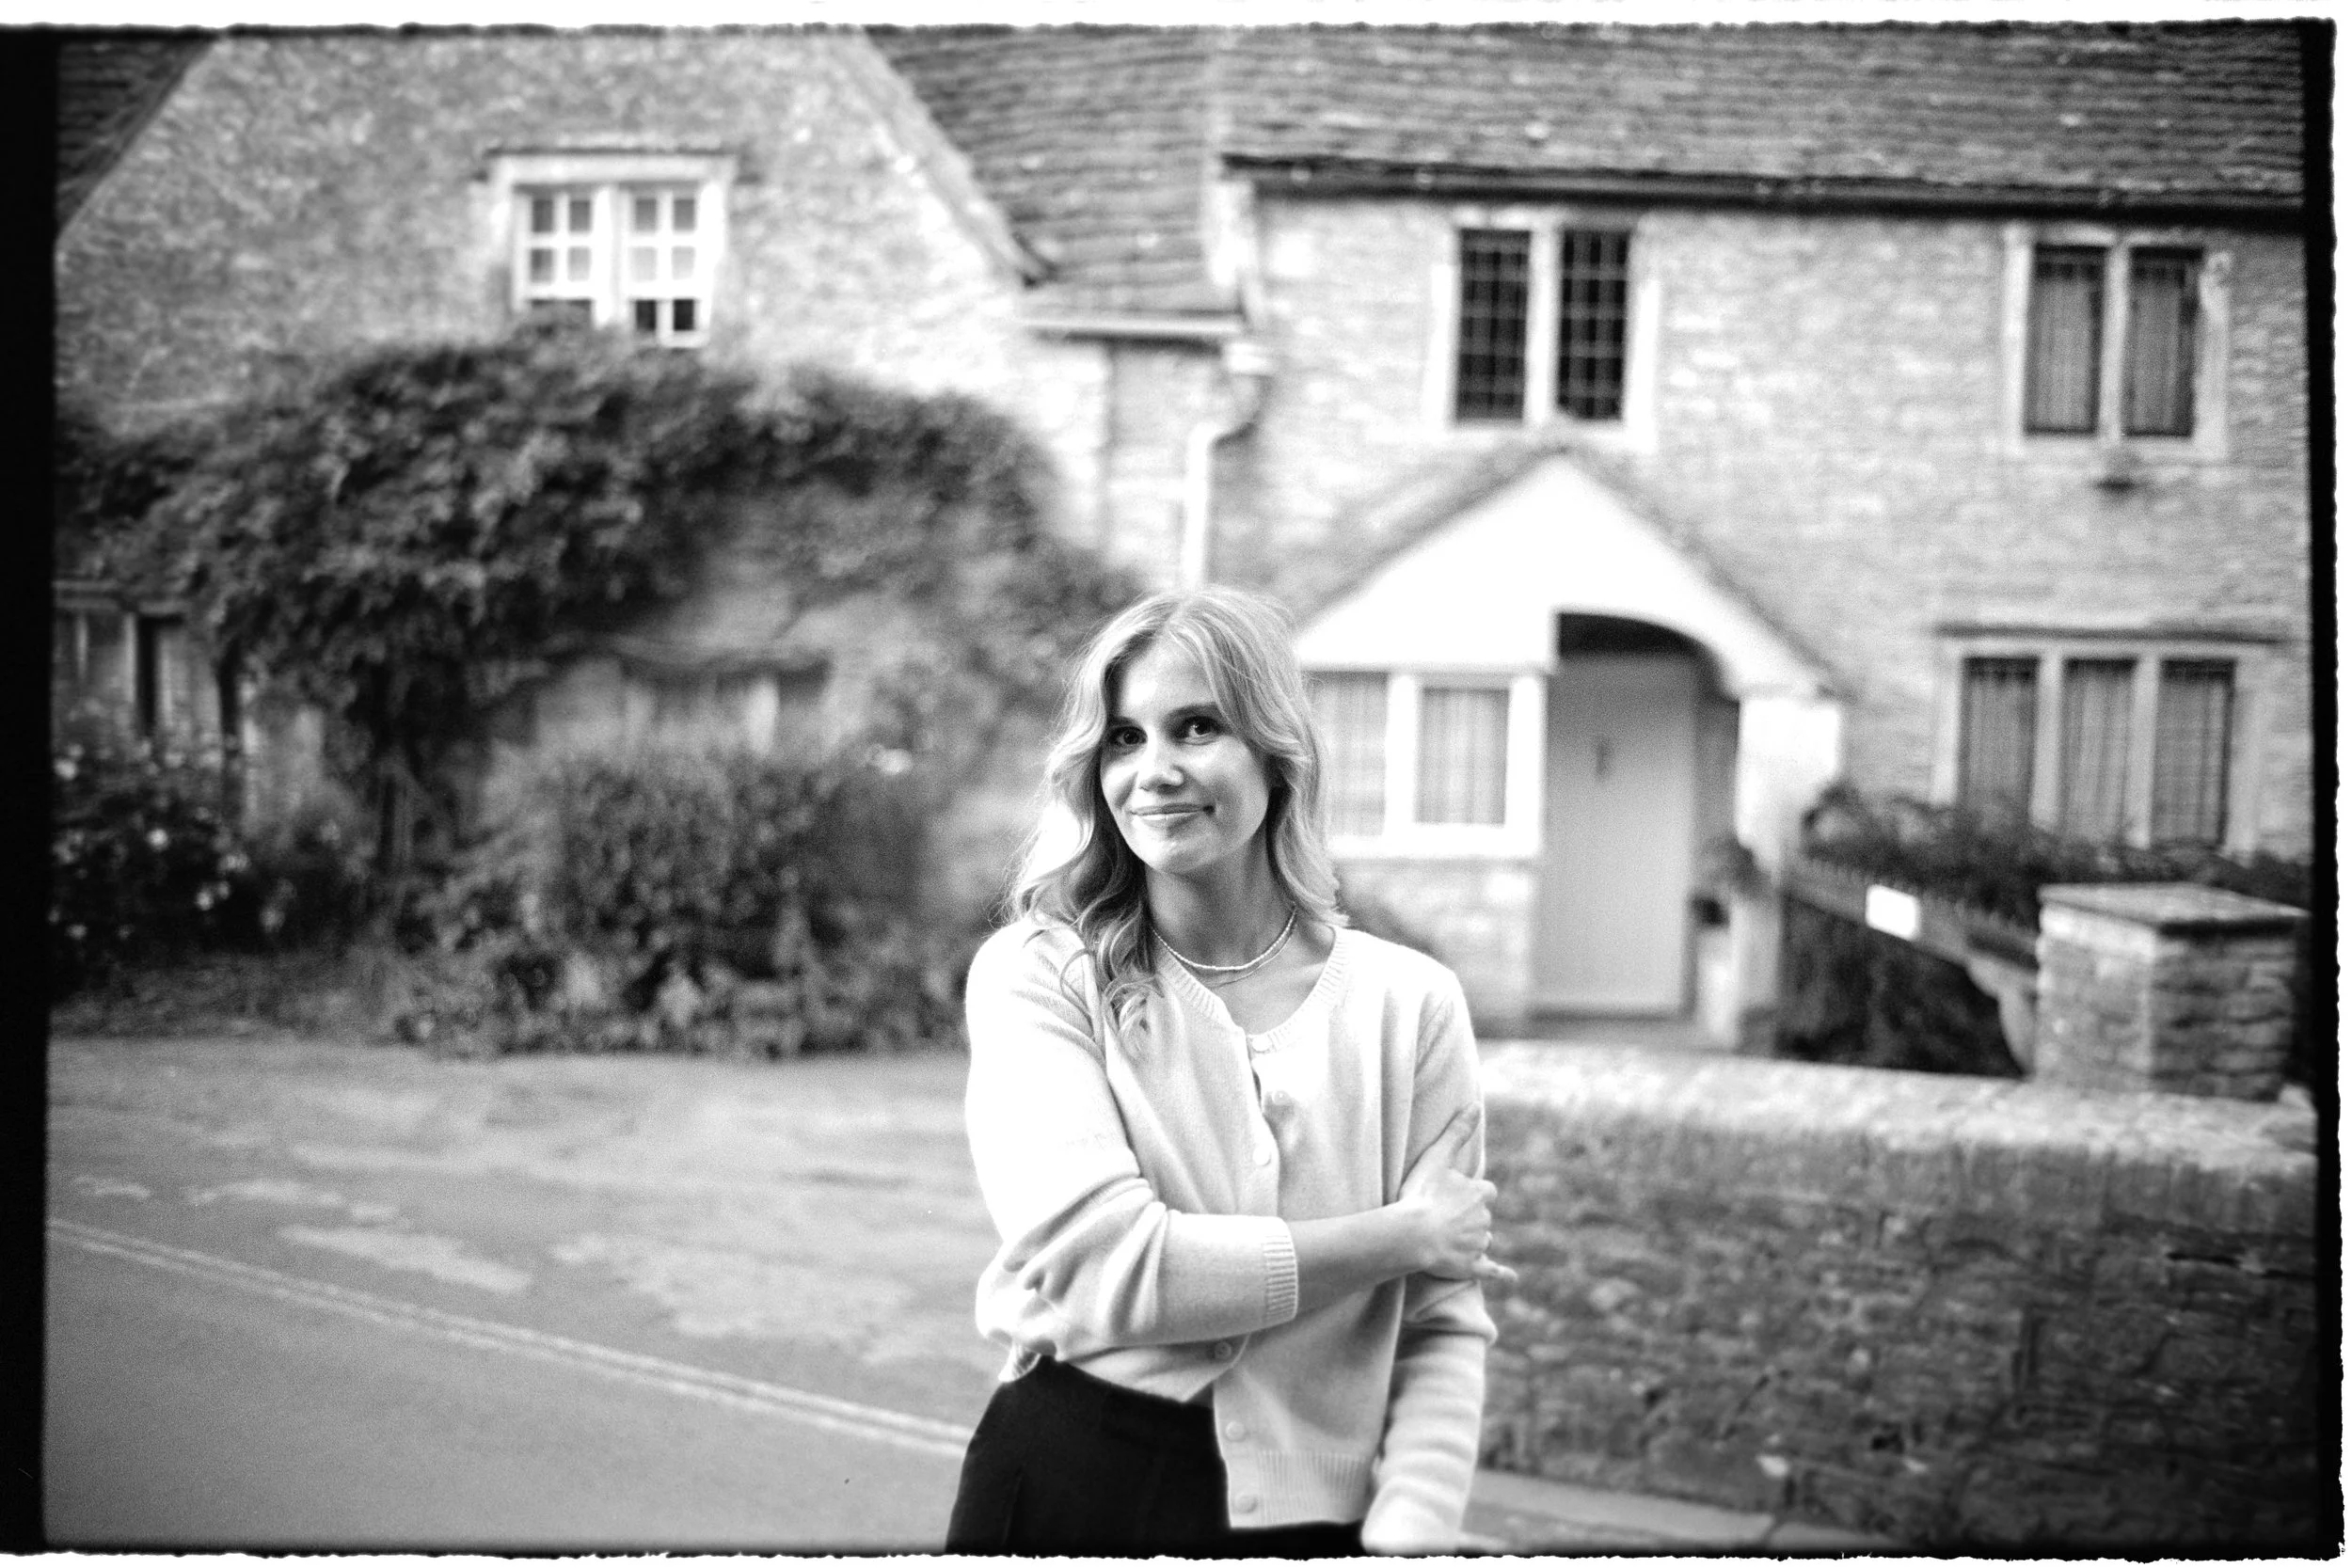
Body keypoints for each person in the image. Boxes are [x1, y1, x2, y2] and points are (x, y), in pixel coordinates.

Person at [946, 585, 1514, 1558]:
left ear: (1273, 748)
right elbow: (1111, 1269)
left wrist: (1410, 1529)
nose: (1155, 771)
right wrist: (1401, 1233)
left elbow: (1442, 1319)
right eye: (1122, 738)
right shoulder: (1042, 972)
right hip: (1068, 1478)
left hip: (1314, 1524)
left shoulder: (1408, 1003)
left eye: (1195, 726)